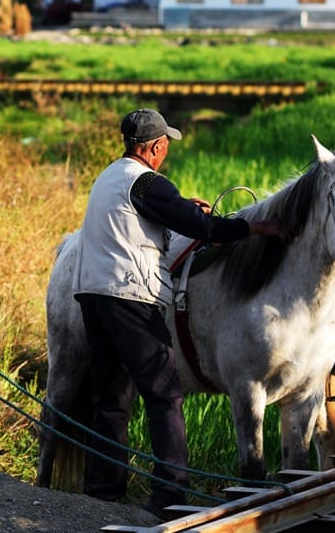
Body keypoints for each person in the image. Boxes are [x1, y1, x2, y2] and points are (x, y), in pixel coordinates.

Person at [71, 107, 292, 520]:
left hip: (92, 293)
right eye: (165, 146)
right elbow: (203, 229)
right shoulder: (149, 182)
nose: (165, 153)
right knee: (164, 394)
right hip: (131, 296)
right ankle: (171, 495)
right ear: (154, 147)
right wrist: (255, 228)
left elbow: (135, 224)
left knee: (112, 396)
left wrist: (178, 209)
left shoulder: (109, 178)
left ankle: (102, 490)